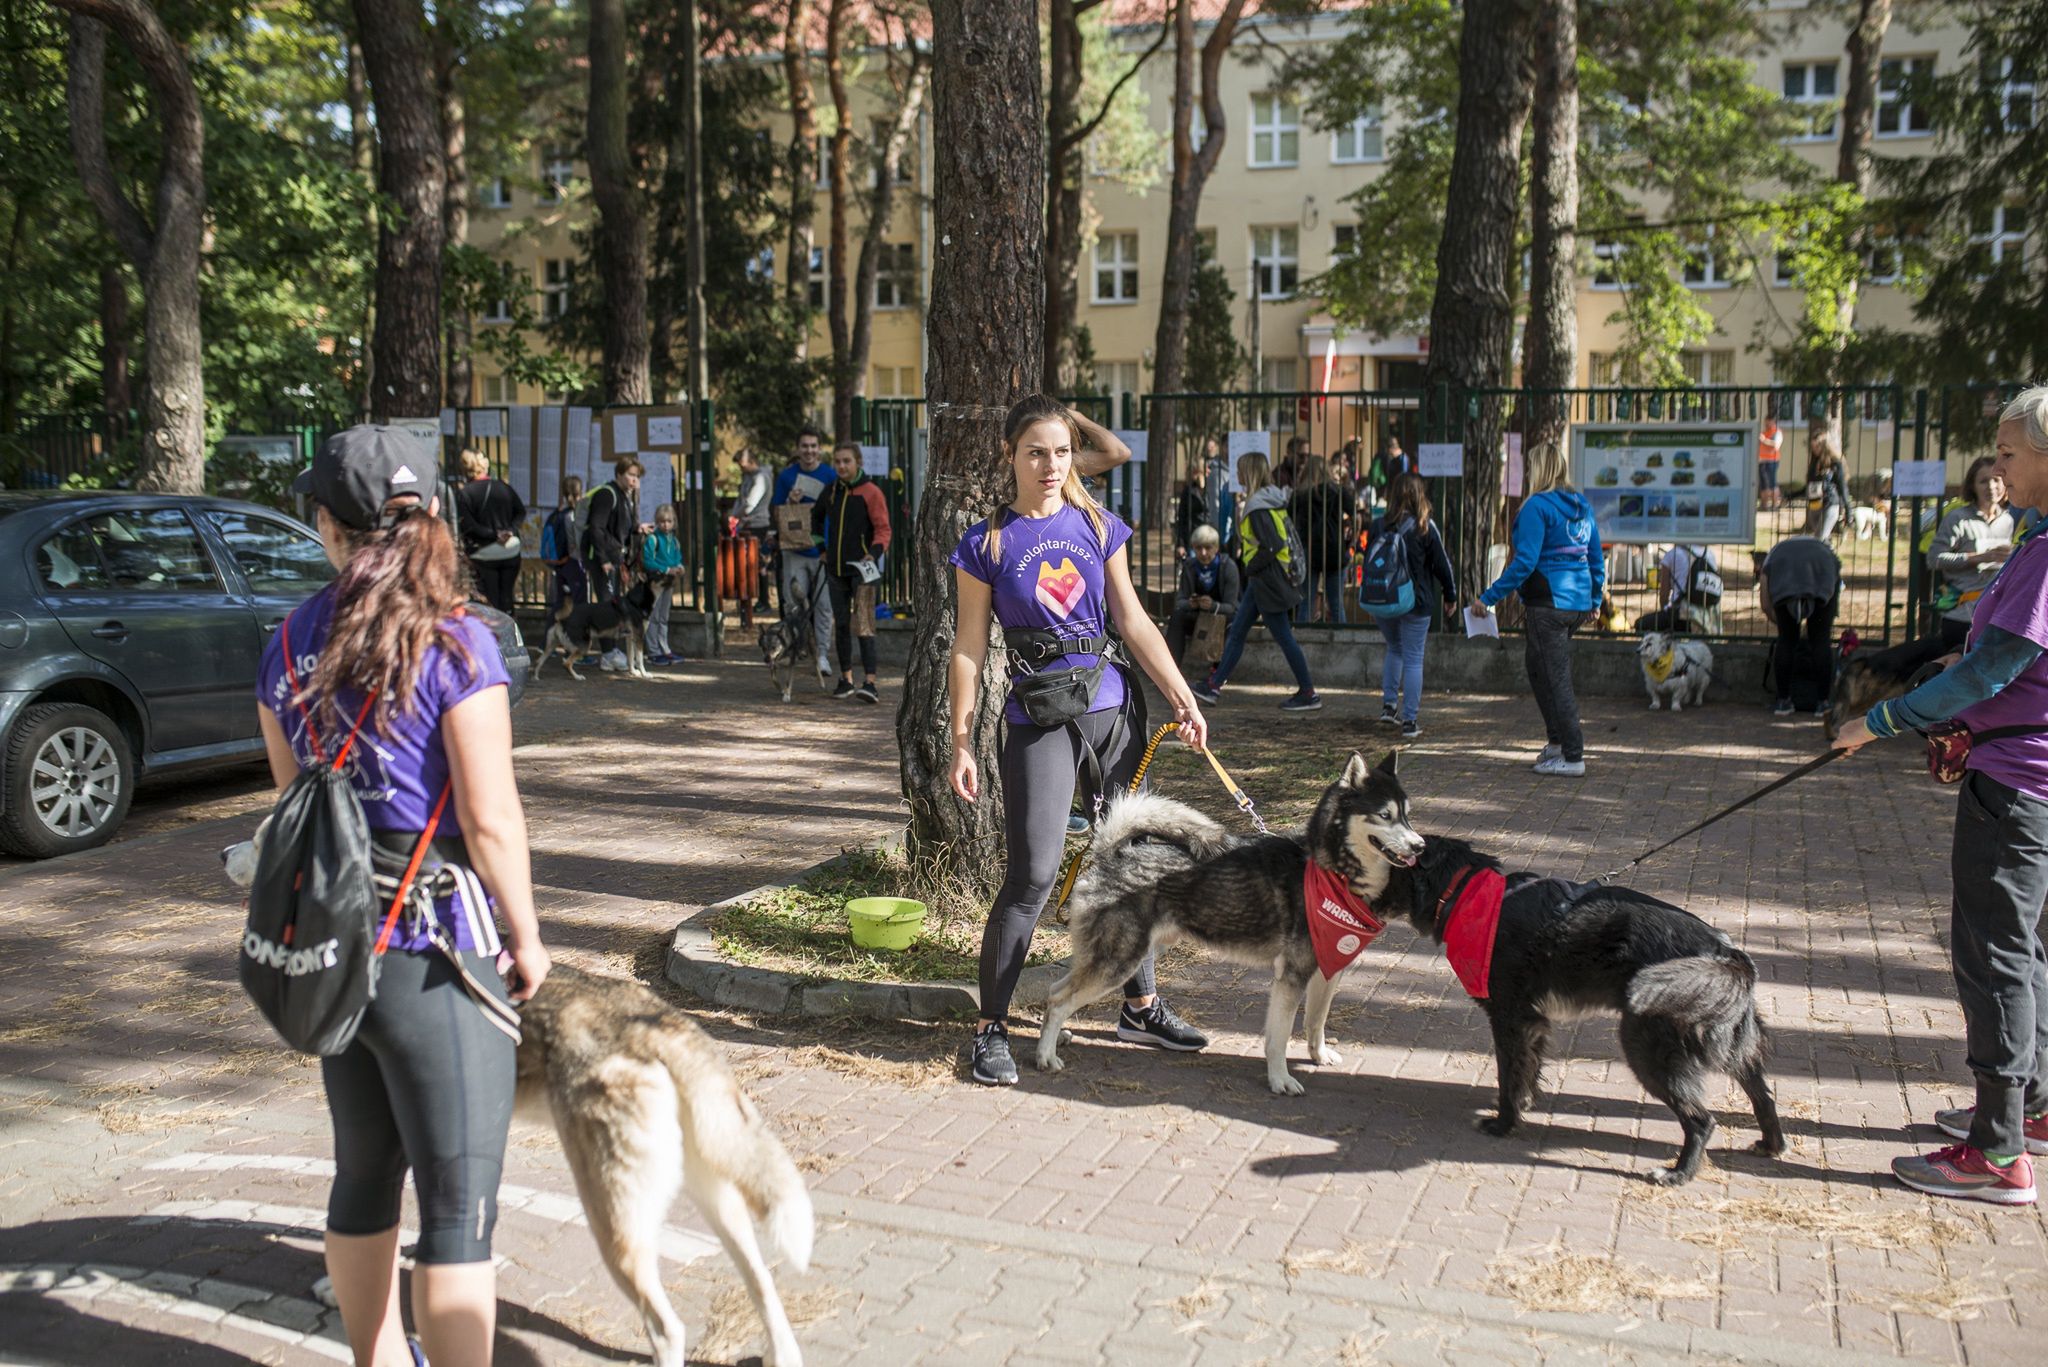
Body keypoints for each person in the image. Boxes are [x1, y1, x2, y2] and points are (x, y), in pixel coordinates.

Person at [260, 426, 549, 1366]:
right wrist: (529, 936)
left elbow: (293, 806)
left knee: (362, 1180)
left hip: (339, 952)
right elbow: (492, 814)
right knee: (459, 1209)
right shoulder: (462, 640)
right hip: (440, 956)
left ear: (327, 526)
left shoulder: (289, 642)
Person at [947, 395, 1207, 1087]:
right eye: (1036, 451)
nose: (1050, 465)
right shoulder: (988, 543)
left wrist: (1180, 690)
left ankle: (1141, 1005)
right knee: (1032, 875)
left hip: (1112, 709)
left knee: (1130, 858)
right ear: (1010, 455)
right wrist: (962, 736)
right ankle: (991, 1028)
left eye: (1061, 451)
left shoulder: (1096, 522)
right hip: (1040, 720)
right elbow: (970, 645)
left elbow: (1134, 618)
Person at [1832, 387, 2048, 1207]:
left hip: (2018, 787)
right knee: (2024, 950)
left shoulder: (2044, 553)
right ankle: (2031, 1107)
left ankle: (1997, 1151)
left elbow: (1993, 670)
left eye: (2009, 453)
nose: (1997, 468)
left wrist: (1879, 719)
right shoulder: (2035, 541)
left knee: (1993, 955)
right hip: (2028, 777)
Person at [1472, 467, 1604, 776]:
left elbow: (1525, 562)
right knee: (1538, 668)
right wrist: (1595, 599)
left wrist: (1489, 597)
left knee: (1554, 677)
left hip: (1550, 603)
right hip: (1576, 603)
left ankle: (1573, 756)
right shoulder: (1581, 506)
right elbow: (1595, 557)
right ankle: (1558, 744)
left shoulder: (1536, 506)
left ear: (1539, 469)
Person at [1193, 451, 1322, 712]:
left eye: (1241, 471)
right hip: (1264, 580)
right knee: (1238, 631)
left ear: (1250, 472)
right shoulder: (1270, 500)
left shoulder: (1257, 507)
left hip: (1267, 581)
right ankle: (1215, 686)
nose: (1238, 475)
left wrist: (1250, 566)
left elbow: (1271, 545)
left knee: (1283, 637)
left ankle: (1308, 692)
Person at [1372, 473, 1458, 740]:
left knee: (1394, 648)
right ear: (1421, 495)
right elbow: (1442, 565)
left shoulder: (1378, 525)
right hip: (1416, 601)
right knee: (1413, 657)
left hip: (1384, 600)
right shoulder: (1424, 527)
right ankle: (1409, 721)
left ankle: (1388, 706)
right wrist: (1450, 595)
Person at [814, 443, 892, 703]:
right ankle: (845, 678)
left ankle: (870, 682)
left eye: (846, 461)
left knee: (865, 625)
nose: (841, 466)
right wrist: (820, 549)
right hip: (835, 570)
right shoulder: (832, 491)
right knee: (842, 624)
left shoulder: (871, 492)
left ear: (858, 462)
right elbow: (815, 519)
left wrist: (874, 552)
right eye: (837, 461)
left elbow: (883, 529)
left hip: (864, 571)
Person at [772, 426, 837, 688]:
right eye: (804, 446)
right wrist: (790, 500)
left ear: (819, 449)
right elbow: (777, 512)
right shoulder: (787, 477)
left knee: (824, 606)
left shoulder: (830, 475)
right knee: (793, 605)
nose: (809, 450)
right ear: (797, 449)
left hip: (822, 551)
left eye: (813, 446)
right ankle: (794, 649)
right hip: (794, 550)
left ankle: (821, 654)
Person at [1929, 455, 2016, 650]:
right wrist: (1978, 558)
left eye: (1996, 479)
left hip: (1997, 615)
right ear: (1972, 486)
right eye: (1983, 481)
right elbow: (1934, 559)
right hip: (1962, 616)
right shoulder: (1958, 519)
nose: (1991, 486)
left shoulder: (2008, 521)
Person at [1757, 534, 1842, 716]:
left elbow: (1765, 603)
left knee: (1786, 641)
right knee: (1820, 641)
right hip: (1823, 579)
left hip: (1784, 585)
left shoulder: (1773, 555)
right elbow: (1835, 584)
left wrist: (1782, 623)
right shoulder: (1827, 552)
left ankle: (1783, 701)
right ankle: (1823, 703)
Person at [452, 448, 526, 613]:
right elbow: (520, 512)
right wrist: (510, 531)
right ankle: (511, 628)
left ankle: (493, 636)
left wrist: (493, 535)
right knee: (507, 597)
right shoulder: (504, 487)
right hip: (510, 550)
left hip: (483, 554)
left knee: (490, 602)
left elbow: (469, 526)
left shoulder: (465, 494)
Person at [1165, 524, 1240, 667]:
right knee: (1177, 616)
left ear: (1216, 548)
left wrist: (1214, 606)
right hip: (1197, 616)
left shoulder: (1228, 567)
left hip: (1222, 617)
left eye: (1208, 548)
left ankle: (1218, 673)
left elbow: (1231, 606)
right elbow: (1180, 601)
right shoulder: (1190, 566)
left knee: (1233, 623)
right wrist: (1191, 604)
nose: (1203, 553)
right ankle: (1172, 668)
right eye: (1198, 548)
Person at [1291, 454, 1351, 624]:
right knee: (1336, 604)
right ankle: (1343, 643)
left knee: (1306, 603)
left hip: (1308, 551)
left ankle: (1301, 641)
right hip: (1334, 549)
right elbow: (1353, 510)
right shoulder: (1337, 491)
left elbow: (1288, 517)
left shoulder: (1300, 494)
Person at [583, 456, 644, 601]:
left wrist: (638, 527)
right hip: (603, 557)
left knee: (614, 604)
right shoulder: (607, 494)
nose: (634, 480)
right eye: (631, 475)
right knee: (608, 604)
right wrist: (603, 560)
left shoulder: (625, 496)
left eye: (637, 476)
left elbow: (624, 525)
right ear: (619, 474)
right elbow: (596, 528)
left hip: (616, 556)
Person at [1634, 543, 1724, 636]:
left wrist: (1665, 610)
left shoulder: (1671, 555)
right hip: (1706, 616)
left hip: (1681, 614)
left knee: (1640, 624)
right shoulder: (1709, 554)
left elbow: (1664, 593)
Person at [641, 503, 684, 665]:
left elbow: (677, 558)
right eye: (662, 522)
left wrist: (680, 567)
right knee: (653, 616)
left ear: (674, 522)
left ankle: (664, 648)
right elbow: (648, 562)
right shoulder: (653, 539)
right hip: (656, 582)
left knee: (664, 616)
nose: (666, 525)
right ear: (657, 522)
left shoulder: (674, 540)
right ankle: (653, 651)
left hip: (668, 583)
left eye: (669, 521)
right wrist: (667, 569)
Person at [732, 449, 773, 614]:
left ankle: (763, 600)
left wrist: (736, 515)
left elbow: (749, 504)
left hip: (758, 524)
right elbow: (740, 499)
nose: (741, 469)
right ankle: (749, 600)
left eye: (742, 465)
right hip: (746, 524)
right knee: (748, 563)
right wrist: (734, 516)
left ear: (751, 461)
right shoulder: (748, 477)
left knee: (758, 564)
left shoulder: (761, 478)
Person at [540, 474, 586, 612]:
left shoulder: (556, 513)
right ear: (580, 492)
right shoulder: (573, 516)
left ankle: (552, 631)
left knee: (561, 600)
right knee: (579, 600)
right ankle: (576, 631)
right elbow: (576, 542)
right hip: (573, 562)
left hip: (559, 563)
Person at [1807, 443, 1851, 543]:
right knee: (1823, 539)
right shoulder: (1814, 464)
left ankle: (1822, 557)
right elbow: (1809, 486)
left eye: (1816, 447)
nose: (1814, 450)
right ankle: (1829, 555)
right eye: (1813, 448)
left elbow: (1842, 487)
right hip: (1815, 504)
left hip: (1830, 503)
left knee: (1819, 539)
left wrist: (1848, 508)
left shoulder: (1835, 464)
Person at [1758, 415, 1784, 511]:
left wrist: (1764, 440)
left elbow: (1776, 445)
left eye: (1768, 421)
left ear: (1773, 421)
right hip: (1762, 461)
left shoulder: (1777, 432)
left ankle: (1774, 505)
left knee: (1772, 483)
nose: (1766, 423)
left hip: (1772, 461)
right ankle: (1764, 505)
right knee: (1763, 484)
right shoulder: (1764, 432)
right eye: (1765, 421)